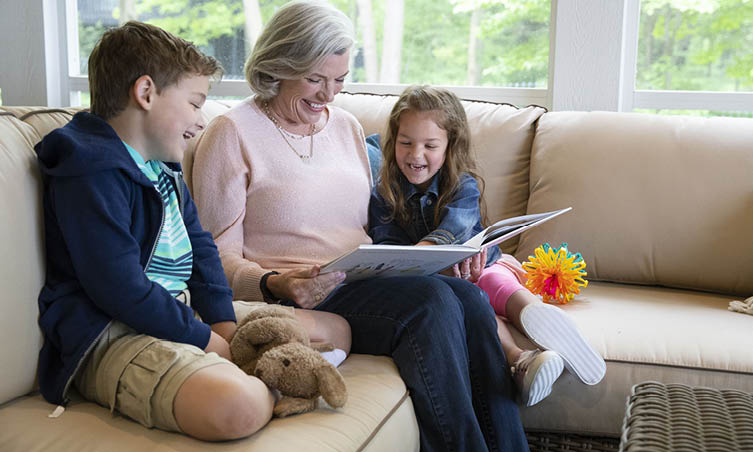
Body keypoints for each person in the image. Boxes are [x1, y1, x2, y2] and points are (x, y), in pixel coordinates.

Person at [192, 1, 529, 450]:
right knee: (430, 303)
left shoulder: (347, 127)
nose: (328, 94)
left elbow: (391, 213)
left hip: (365, 277)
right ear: (279, 64)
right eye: (315, 79)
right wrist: (276, 283)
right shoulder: (231, 132)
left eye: (339, 80)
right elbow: (214, 258)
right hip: (305, 290)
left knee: (467, 296)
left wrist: (446, 255)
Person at [34, 20, 350, 442]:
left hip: (176, 311)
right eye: (195, 103)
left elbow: (201, 249)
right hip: (111, 332)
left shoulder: (160, 163)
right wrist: (203, 339)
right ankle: (261, 381)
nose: (201, 121)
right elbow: (118, 288)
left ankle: (259, 372)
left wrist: (220, 323)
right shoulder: (89, 170)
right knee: (240, 406)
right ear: (145, 93)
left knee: (335, 331)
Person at [368, 85, 607, 406]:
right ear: (393, 140)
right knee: (474, 299)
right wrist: (423, 265)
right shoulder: (385, 191)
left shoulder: (462, 183)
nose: (415, 155)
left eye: (430, 145)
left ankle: (535, 314)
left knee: (491, 281)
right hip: (436, 279)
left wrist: (426, 254)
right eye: (405, 143)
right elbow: (388, 245)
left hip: (483, 264)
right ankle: (522, 360)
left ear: (451, 146)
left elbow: (455, 229)